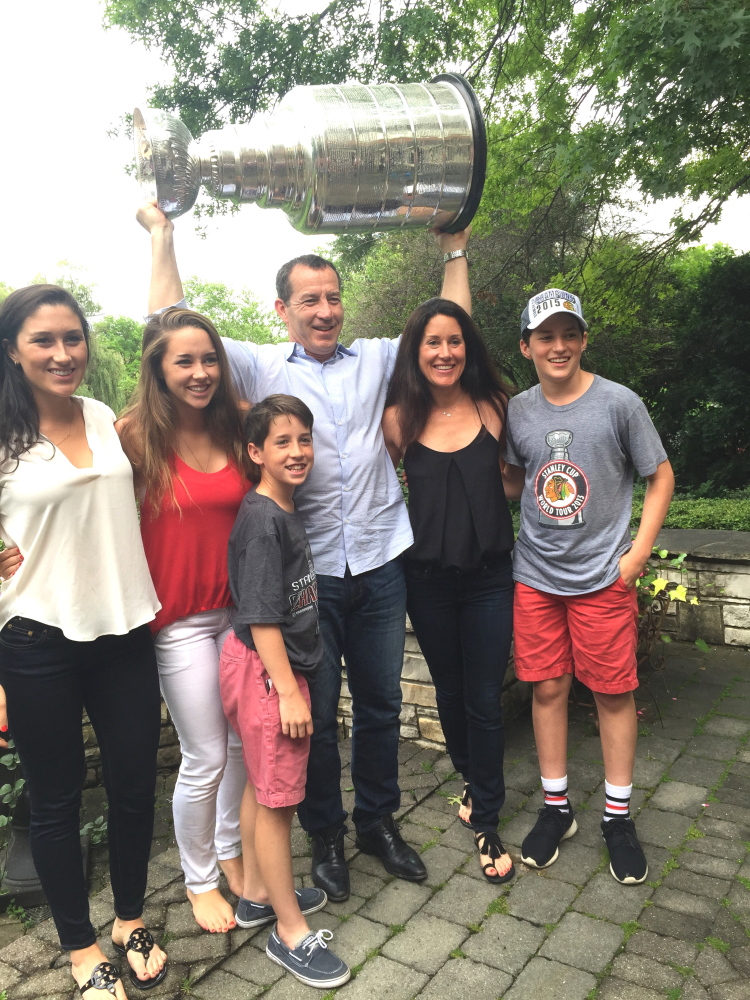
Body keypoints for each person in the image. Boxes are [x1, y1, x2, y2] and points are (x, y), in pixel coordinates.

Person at [137, 200, 470, 900]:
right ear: (282, 309)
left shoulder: (378, 359)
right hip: (306, 581)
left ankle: (377, 821)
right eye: (309, 300)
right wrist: (163, 237)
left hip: (379, 562)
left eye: (334, 298)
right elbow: (173, 325)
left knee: (379, 705)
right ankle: (325, 836)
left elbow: (449, 327)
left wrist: (455, 250)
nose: (325, 310)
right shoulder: (258, 366)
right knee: (312, 719)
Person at [0, 285, 168, 999]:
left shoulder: (103, 417)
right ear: (13, 350)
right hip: (37, 639)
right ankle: (80, 947)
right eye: (44, 341)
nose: (64, 353)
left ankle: (129, 920)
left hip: (125, 630)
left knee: (134, 787)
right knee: (56, 801)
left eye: (73, 338)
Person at [502, 288, 674, 884]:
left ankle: (617, 817)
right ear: (527, 347)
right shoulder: (519, 411)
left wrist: (640, 551)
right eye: (545, 336)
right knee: (547, 690)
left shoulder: (618, 403)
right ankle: (557, 809)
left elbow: (660, 475)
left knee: (611, 692)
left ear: (582, 340)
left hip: (603, 576)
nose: (559, 345)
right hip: (538, 577)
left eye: (568, 334)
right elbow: (514, 480)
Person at [116, 307, 252, 934]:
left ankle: (230, 851)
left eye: (209, 359)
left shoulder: (236, 425)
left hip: (242, 613)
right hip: (181, 621)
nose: (200, 372)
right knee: (203, 754)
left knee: (241, 745)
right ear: (158, 367)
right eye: (184, 361)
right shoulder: (135, 435)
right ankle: (198, 881)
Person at [382, 295, 516, 884]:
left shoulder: (496, 407)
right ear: (416, 352)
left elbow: (514, 484)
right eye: (432, 342)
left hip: (489, 578)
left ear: (468, 347)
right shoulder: (398, 420)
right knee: (450, 691)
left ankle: (487, 818)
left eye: (454, 341)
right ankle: (470, 776)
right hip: (428, 581)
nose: (444, 352)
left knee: (486, 700)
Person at [220, 394, 349, 989]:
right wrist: (290, 692)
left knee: (258, 783)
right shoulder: (264, 520)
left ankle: (252, 893)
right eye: (281, 442)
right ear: (255, 452)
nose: (297, 452)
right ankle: (288, 932)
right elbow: (262, 616)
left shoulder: (276, 509)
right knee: (278, 804)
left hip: (258, 669)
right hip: (269, 671)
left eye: (304, 439)